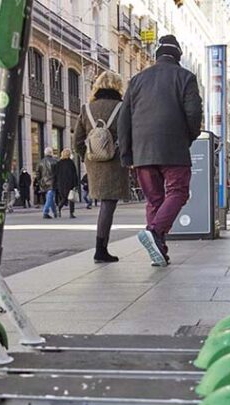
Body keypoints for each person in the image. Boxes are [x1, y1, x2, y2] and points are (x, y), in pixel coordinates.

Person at [118, 35, 203, 267]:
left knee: (154, 200)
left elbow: (123, 119)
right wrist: (189, 136)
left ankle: (160, 252)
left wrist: (127, 153)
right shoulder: (186, 77)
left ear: (156, 56)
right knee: (178, 192)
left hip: (142, 151)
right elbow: (194, 114)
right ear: (178, 56)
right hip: (173, 147)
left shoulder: (136, 80)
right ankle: (154, 232)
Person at [74, 70, 131, 262]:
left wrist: (89, 158)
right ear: (117, 85)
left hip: (94, 164)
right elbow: (128, 136)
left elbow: (77, 142)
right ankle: (100, 249)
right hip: (115, 162)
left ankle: (102, 248)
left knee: (105, 204)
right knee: (108, 204)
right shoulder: (122, 107)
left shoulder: (86, 109)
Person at [53, 148, 79, 219]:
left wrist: (55, 184)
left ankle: (59, 208)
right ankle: (71, 213)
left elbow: (55, 174)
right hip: (69, 183)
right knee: (71, 198)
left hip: (61, 184)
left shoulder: (58, 163)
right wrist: (76, 184)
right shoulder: (71, 163)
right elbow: (74, 174)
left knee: (64, 198)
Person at [36, 147, 58, 219]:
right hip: (52, 182)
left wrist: (39, 181)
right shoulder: (55, 162)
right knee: (50, 197)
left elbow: (38, 173)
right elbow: (57, 173)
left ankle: (55, 212)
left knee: (50, 197)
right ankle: (45, 212)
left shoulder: (41, 162)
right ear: (51, 153)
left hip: (44, 182)